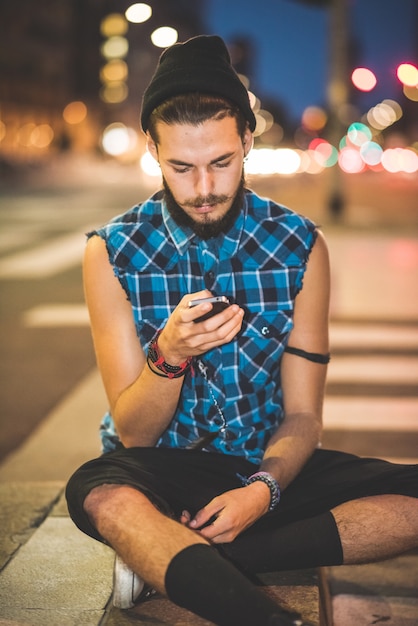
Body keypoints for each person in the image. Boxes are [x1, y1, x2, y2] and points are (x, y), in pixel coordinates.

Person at [66, 35, 418, 626]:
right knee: (100, 495)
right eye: (182, 166)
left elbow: (303, 417)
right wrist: (169, 356)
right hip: (160, 470)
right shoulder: (113, 252)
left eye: (221, 163)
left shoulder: (300, 245)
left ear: (247, 142)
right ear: (153, 150)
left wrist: (263, 491)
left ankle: (179, 558)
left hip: (263, 461)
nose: (204, 189)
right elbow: (133, 433)